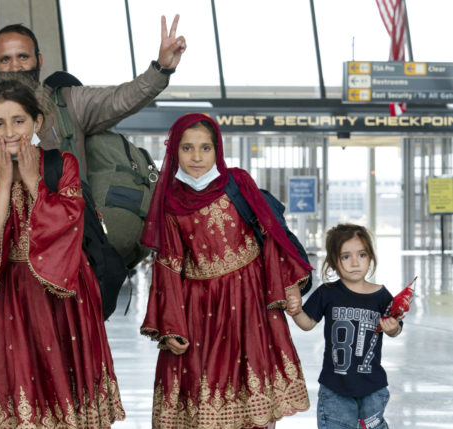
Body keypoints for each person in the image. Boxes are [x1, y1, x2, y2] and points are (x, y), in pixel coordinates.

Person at [0, 79, 125, 427]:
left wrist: (33, 179)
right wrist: (3, 182)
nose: (9, 131)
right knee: (20, 396)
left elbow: (65, 228)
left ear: (36, 121)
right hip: (12, 299)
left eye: (18, 121)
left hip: (63, 295)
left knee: (66, 390)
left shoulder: (62, 164)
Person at [139, 113, 313, 428]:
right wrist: (170, 326)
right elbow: (168, 266)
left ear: (217, 150)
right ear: (174, 151)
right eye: (187, 148)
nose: (196, 157)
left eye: (205, 148)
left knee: (253, 389)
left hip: (251, 304)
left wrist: (287, 284)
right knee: (202, 387)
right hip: (199, 311)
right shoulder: (170, 201)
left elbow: (271, 234)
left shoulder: (238, 182)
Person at [0, 17, 186, 172]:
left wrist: (161, 68)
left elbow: (123, 97)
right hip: (0, 248)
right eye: (5, 59)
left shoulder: (70, 103)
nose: (15, 66)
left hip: (67, 244)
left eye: (23, 57)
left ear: (39, 60)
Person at [289, 224, 402, 429]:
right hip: (335, 388)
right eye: (345, 257)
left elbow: (396, 327)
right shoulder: (328, 292)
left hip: (373, 387)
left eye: (362, 254)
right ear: (334, 261)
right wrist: (296, 312)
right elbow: (308, 323)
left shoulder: (382, 295)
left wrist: (392, 328)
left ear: (371, 257)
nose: (355, 262)